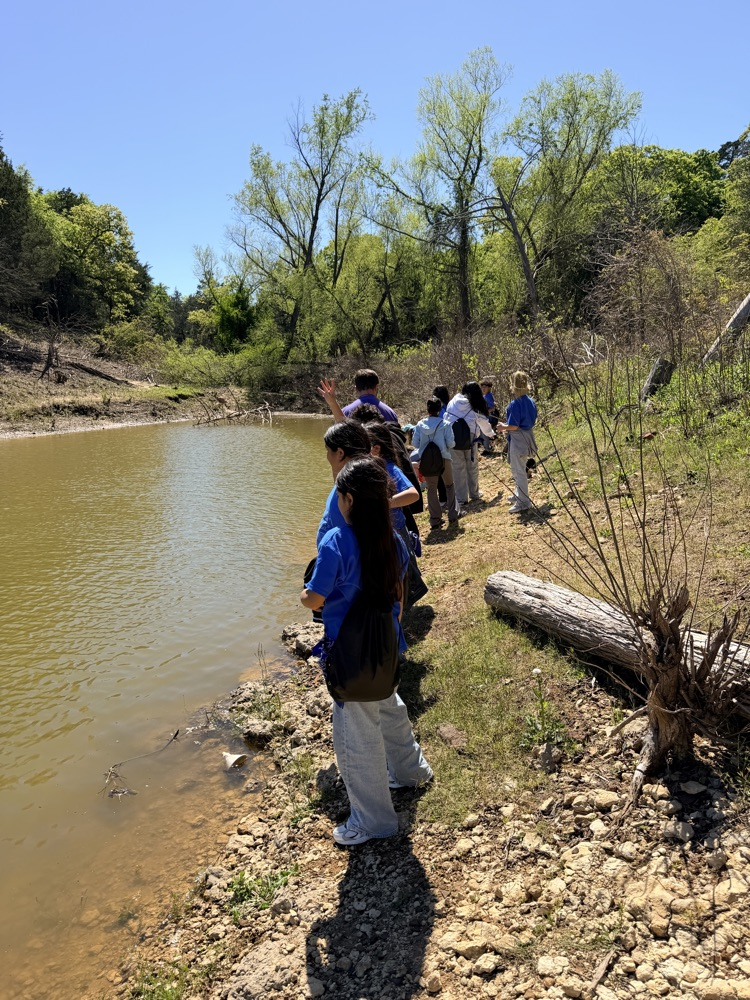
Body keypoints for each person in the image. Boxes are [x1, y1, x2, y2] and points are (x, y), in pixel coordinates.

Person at [301, 457, 432, 846]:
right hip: (386, 647)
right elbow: (399, 596)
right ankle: (411, 772)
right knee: (389, 705)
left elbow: (315, 599)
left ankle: (374, 821)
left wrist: (303, 593)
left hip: (351, 655)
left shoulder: (335, 542)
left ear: (349, 500)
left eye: (339, 496)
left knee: (355, 736)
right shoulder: (394, 540)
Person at [365, 421, 428, 606]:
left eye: (362, 445)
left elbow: (413, 494)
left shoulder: (390, 468)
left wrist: (385, 504)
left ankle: (404, 606)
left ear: (376, 449)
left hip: (396, 529)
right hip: (383, 530)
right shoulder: (370, 467)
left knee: (403, 570)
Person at [316, 421, 372, 546]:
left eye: (328, 450)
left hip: (340, 562)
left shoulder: (352, 490)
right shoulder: (362, 479)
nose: (327, 456)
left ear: (340, 453)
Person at [411, 396, 460, 529]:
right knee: (449, 486)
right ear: (439, 409)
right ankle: (453, 514)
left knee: (431, 489)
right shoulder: (445, 424)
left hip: (427, 461)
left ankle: (435, 519)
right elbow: (451, 443)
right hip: (444, 458)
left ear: (428, 409)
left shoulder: (420, 425)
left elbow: (415, 443)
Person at [444, 381, 495, 507]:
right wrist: (491, 435)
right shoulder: (474, 404)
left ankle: (461, 498)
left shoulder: (453, 401)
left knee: (458, 468)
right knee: (472, 466)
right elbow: (483, 423)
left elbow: (446, 418)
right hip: (470, 438)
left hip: (452, 437)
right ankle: (474, 493)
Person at [497, 370, 538, 514]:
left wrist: (503, 427)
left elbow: (513, 426)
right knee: (517, 469)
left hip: (518, 439)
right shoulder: (531, 401)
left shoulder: (514, 404)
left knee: (519, 471)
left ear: (513, 385)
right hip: (528, 436)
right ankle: (518, 494)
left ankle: (523, 502)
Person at [479, 378, 498, 453]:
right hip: (485, 417)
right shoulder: (484, 396)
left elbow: (492, 408)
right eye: (482, 387)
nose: (483, 388)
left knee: (484, 432)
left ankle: (488, 449)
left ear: (489, 388)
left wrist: (485, 412)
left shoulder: (489, 396)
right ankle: (488, 446)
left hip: (490, 418)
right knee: (483, 432)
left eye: (485, 387)